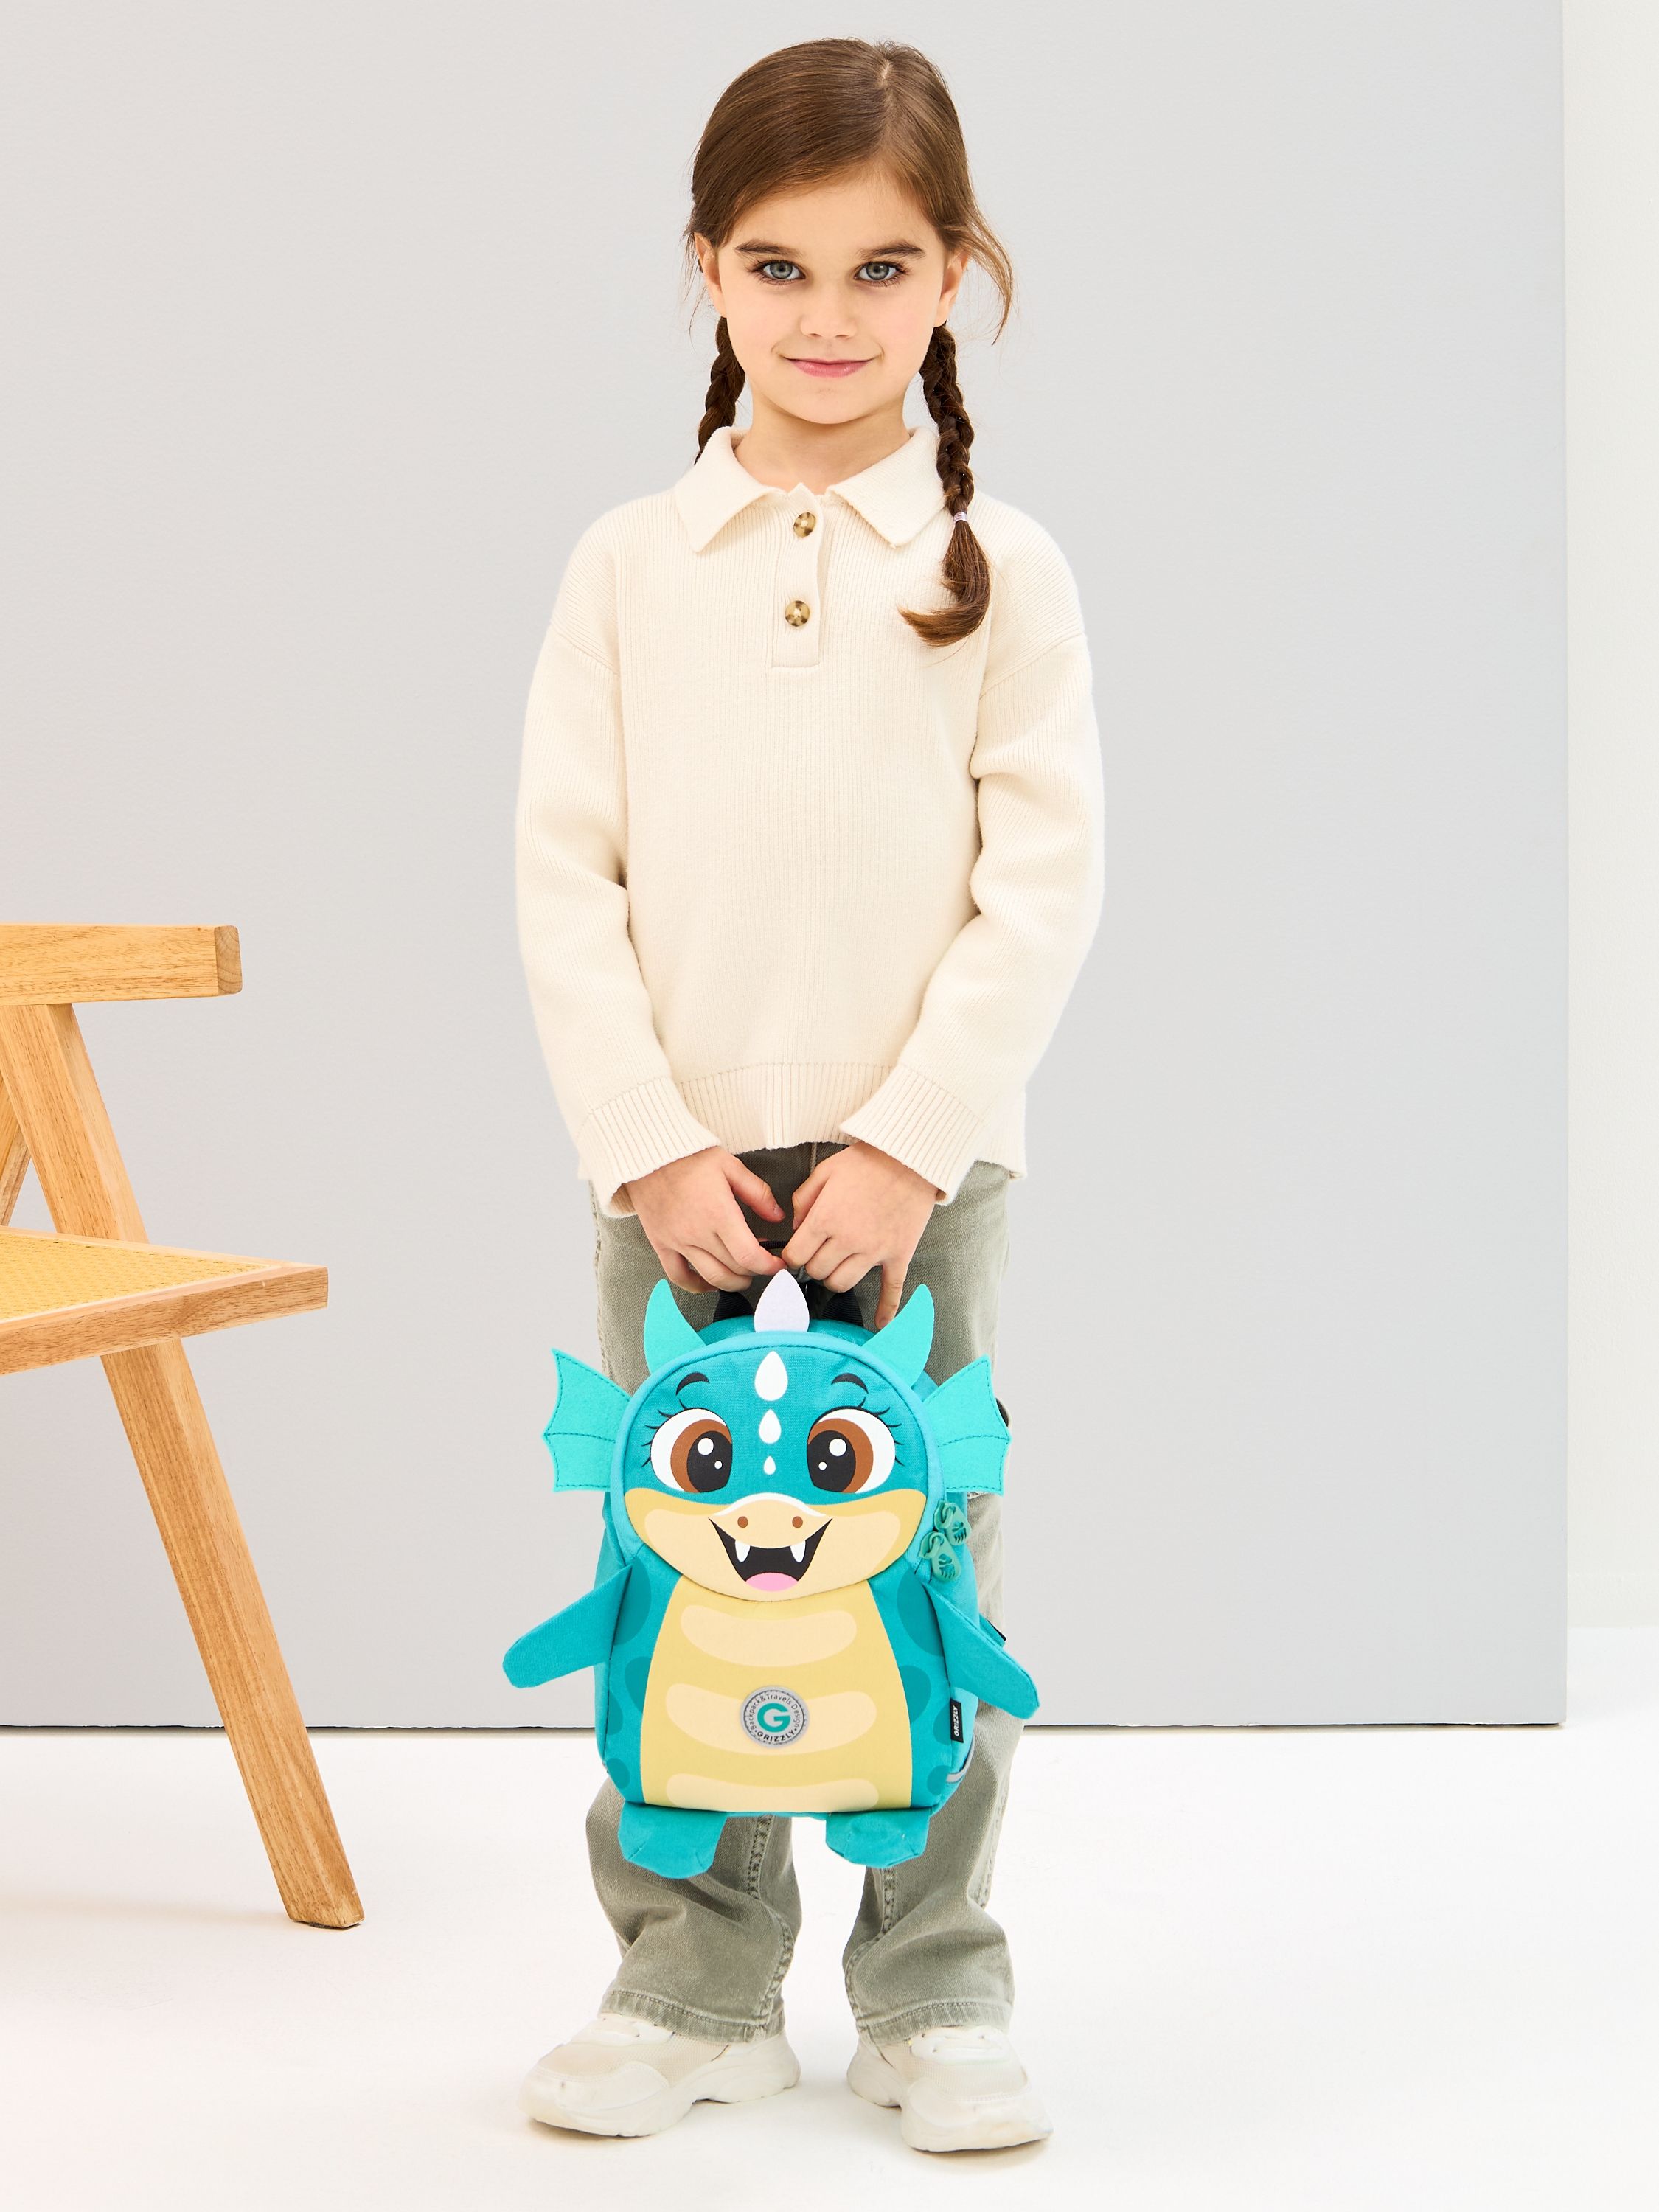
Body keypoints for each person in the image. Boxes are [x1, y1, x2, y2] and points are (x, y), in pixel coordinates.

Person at [512, 35, 1104, 2154]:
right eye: (778, 268)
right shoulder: (626, 565)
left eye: (880, 269)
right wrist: (651, 1145)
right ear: (708, 270)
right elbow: (562, 878)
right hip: (672, 1178)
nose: (827, 318)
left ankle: (934, 1986)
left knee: (919, 1570)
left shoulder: (1001, 568)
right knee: (682, 1565)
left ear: (955, 277)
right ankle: (690, 1977)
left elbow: (1040, 889)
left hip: (917, 1179)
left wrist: (906, 1144)